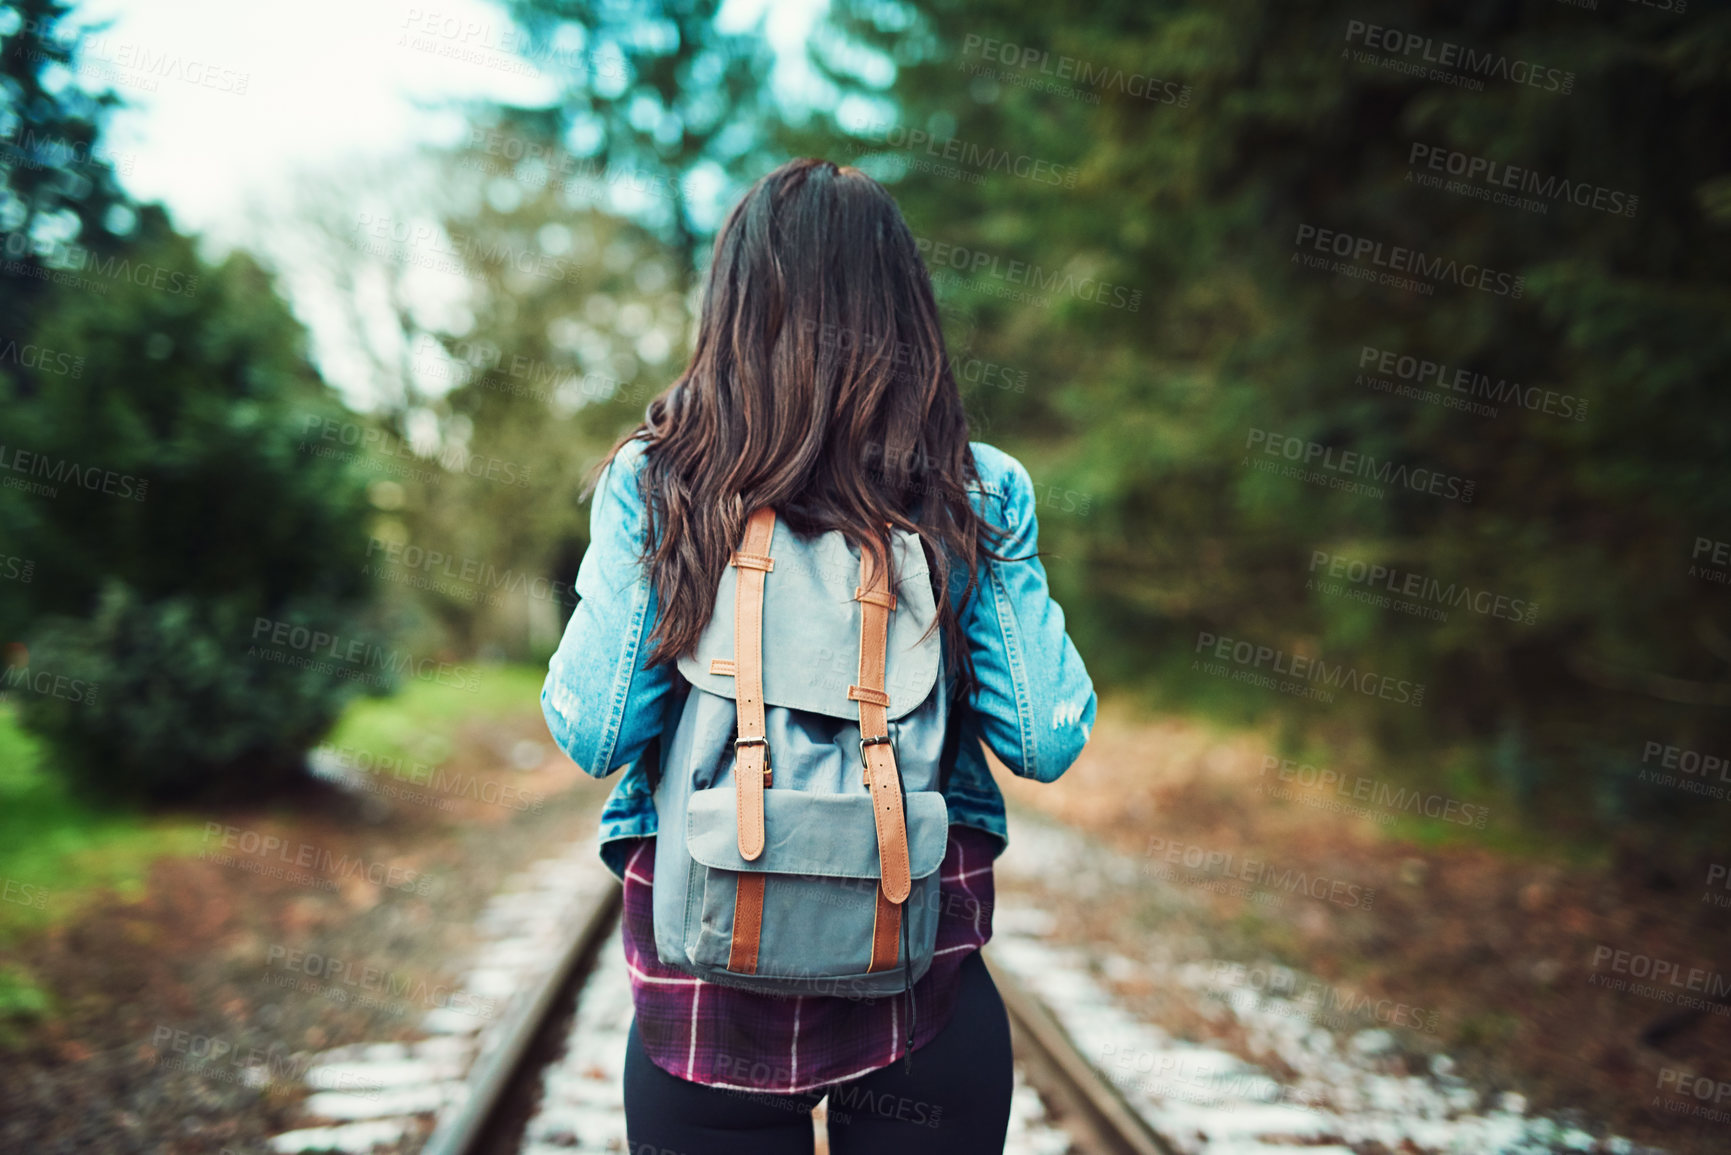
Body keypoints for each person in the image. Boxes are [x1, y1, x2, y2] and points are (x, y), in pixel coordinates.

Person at [541, 157, 1097, 1155]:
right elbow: (1046, 734)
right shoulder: (977, 489)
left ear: (734, 309)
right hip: (918, 987)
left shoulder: (659, 481)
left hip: (706, 998)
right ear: (906, 312)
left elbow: (594, 728)